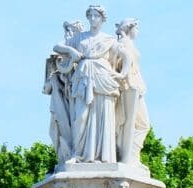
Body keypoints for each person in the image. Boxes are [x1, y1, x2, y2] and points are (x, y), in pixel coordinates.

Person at [52, 5, 123, 163]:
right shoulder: (79, 38)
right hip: (83, 78)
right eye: (90, 15)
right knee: (80, 118)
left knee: (102, 117)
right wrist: (71, 51)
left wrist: (122, 73)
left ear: (102, 18)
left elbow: (124, 56)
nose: (92, 19)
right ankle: (78, 155)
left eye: (96, 16)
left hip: (103, 78)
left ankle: (103, 157)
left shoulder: (109, 40)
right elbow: (57, 46)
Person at [44, 20, 84, 163]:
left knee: (80, 119)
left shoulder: (82, 43)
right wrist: (70, 51)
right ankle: (70, 152)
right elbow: (57, 46)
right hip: (66, 94)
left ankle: (78, 151)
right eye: (66, 30)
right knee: (62, 124)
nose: (67, 33)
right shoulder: (69, 46)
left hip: (80, 93)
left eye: (70, 30)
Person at [114, 18, 149, 165]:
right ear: (130, 28)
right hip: (129, 86)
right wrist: (124, 77)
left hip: (136, 87)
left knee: (142, 124)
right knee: (130, 122)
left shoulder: (127, 43)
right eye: (137, 28)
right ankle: (127, 157)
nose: (138, 32)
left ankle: (132, 155)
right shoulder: (123, 43)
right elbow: (116, 63)